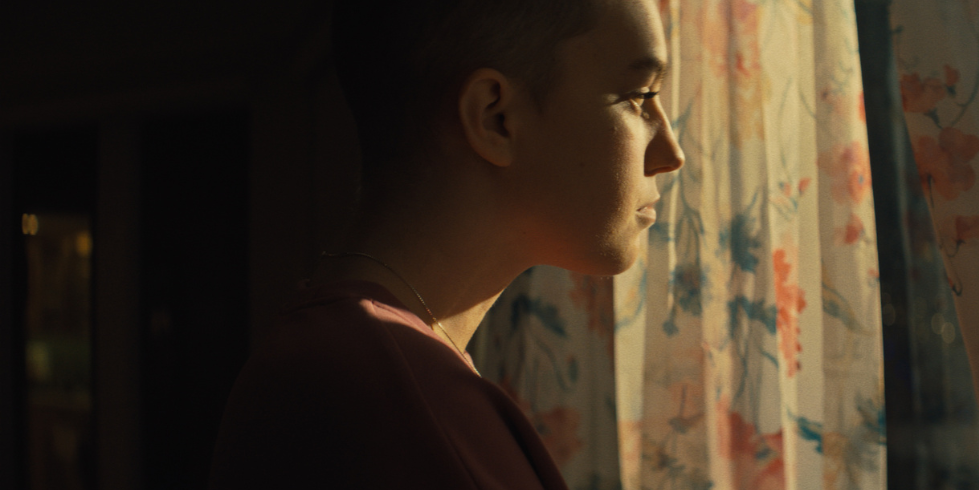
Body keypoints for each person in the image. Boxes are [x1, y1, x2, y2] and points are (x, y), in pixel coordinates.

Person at [207, 0, 685, 488]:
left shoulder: (355, 365)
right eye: (640, 96)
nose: (672, 153)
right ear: (496, 117)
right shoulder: (389, 397)